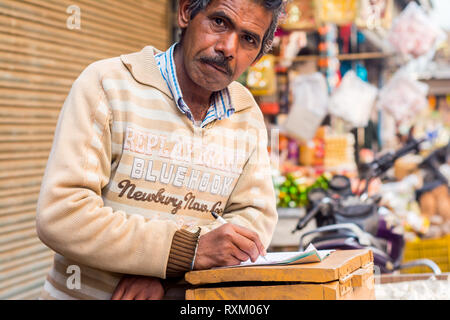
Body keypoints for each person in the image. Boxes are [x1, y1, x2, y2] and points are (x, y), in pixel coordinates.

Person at [36, 0, 284, 300]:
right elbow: (62, 214)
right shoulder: (108, 85)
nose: (228, 47)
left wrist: (170, 273)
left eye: (248, 39)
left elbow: (252, 223)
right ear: (185, 12)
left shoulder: (246, 115)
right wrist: (179, 254)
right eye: (219, 22)